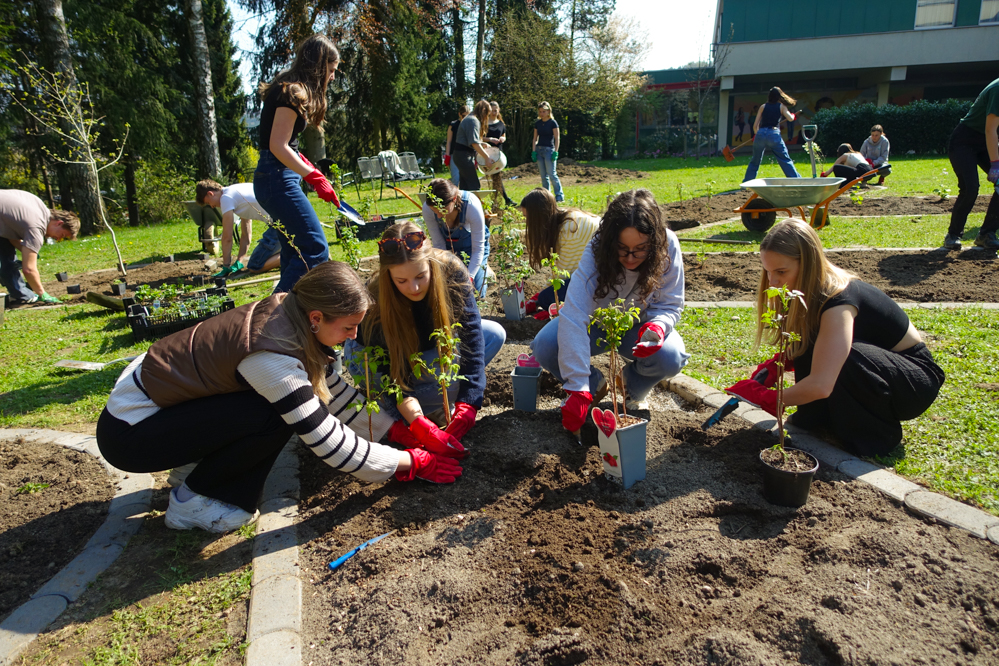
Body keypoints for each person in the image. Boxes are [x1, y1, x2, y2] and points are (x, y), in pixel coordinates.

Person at [96, 261, 463, 533]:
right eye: (349, 327)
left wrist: (394, 431)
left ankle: (190, 469)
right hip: (130, 434)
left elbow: (330, 390)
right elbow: (329, 443)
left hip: (161, 409)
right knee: (272, 413)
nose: (353, 336)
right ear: (317, 317)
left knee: (273, 406)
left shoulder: (292, 312)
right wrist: (409, 461)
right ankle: (191, 501)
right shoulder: (271, 356)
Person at [725, 219, 945, 458]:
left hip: (913, 382)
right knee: (829, 351)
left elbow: (821, 384)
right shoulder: (806, 293)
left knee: (845, 357)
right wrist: (778, 364)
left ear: (808, 263)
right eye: (768, 271)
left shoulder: (839, 301)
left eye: (781, 272)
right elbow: (811, 342)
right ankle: (819, 420)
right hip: (878, 367)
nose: (773, 282)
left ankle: (875, 436)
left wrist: (766, 398)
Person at [531, 189, 690, 433]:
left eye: (640, 249)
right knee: (545, 345)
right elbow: (574, 313)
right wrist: (578, 386)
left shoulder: (668, 246)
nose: (629, 258)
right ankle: (594, 385)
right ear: (610, 241)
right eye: (622, 248)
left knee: (670, 357)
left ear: (654, 241)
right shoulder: (596, 249)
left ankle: (631, 387)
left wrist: (658, 326)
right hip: (596, 324)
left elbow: (670, 304)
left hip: (639, 330)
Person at [345, 222, 506, 446]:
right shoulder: (376, 297)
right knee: (407, 399)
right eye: (401, 281)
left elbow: (472, 335)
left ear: (431, 264)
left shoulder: (451, 272)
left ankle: (434, 399)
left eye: (421, 276)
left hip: (422, 351)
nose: (414, 288)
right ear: (388, 276)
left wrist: (469, 401)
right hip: (372, 356)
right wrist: (415, 419)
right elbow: (388, 370)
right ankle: (413, 406)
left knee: (492, 333)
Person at [253, 34, 342, 293]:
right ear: (319, 64)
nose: (333, 77)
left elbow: (288, 146)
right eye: (331, 70)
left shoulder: (290, 86)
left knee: (295, 253)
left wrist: (313, 173)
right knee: (315, 249)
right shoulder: (293, 92)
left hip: (277, 177)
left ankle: (289, 319)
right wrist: (313, 177)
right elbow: (277, 146)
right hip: (276, 178)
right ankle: (273, 318)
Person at [519, 187, 600, 317]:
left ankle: (562, 311)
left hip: (604, 276)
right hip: (595, 271)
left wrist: (539, 298)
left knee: (547, 297)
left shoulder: (570, 229)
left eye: (527, 217)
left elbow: (565, 272)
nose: (527, 222)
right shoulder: (562, 220)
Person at [943, 77, 999, 251]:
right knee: (970, 188)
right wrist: (995, 164)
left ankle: (986, 234)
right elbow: (990, 129)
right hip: (964, 141)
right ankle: (953, 235)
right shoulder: (998, 89)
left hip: (986, 142)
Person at [0, 189, 79, 306]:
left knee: (7, 256)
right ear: (59, 223)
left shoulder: (39, 206)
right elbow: (29, 269)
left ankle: (21, 295)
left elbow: (11, 236)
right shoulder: (37, 227)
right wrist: (43, 294)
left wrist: (27, 250)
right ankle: (22, 294)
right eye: (61, 235)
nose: (58, 239)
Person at [422, 178, 491, 298]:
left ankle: (484, 270)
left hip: (472, 248)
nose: (438, 215)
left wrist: (469, 278)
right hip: (448, 248)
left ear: (454, 199)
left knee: (475, 294)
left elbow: (477, 249)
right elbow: (439, 245)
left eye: (442, 210)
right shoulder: (428, 208)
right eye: (435, 211)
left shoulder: (471, 205)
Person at [196, 179, 273, 277]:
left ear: (210, 194)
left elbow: (227, 237)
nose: (211, 206)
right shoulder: (236, 191)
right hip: (281, 220)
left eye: (208, 202)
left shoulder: (226, 198)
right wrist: (239, 261)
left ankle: (294, 257)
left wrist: (226, 266)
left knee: (255, 265)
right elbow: (246, 233)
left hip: (282, 223)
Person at [744, 87, 800, 182]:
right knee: (784, 159)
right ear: (780, 96)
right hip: (773, 134)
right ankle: (796, 180)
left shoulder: (763, 106)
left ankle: (747, 182)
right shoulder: (781, 106)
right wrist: (794, 115)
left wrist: (756, 134)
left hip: (761, 133)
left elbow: (755, 125)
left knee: (755, 160)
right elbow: (790, 118)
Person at [452, 99, 494, 191]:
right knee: (474, 186)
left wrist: (482, 143)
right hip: (463, 156)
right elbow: (474, 143)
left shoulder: (470, 119)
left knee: (465, 187)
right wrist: (487, 157)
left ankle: (462, 205)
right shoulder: (472, 120)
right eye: (487, 114)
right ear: (483, 110)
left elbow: (470, 139)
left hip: (460, 155)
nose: (487, 117)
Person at [485, 101, 515, 210]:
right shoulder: (485, 123)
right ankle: (503, 200)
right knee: (496, 177)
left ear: (498, 110)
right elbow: (479, 138)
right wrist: (490, 139)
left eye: (495, 110)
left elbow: (504, 134)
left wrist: (503, 138)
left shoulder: (501, 123)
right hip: (488, 153)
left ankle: (497, 202)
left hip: (499, 153)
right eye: (492, 110)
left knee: (496, 178)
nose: (494, 112)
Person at [532, 101, 564, 202]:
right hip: (539, 150)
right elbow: (534, 138)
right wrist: (533, 151)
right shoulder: (537, 123)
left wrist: (556, 151)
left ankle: (559, 196)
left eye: (544, 111)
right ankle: (547, 196)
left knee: (552, 174)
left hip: (549, 150)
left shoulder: (553, 123)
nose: (542, 113)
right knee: (543, 176)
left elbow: (557, 138)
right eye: (540, 111)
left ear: (548, 111)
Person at [444, 105, 468, 186]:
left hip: (465, 154)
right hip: (454, 154)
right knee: (455, 178)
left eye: (467, 116)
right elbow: (449, 141)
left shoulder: (469, 125)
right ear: (459, 114)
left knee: (465, 179)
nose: (465, 118)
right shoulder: (453, 125)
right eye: (463, 116)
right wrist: (447, 156)